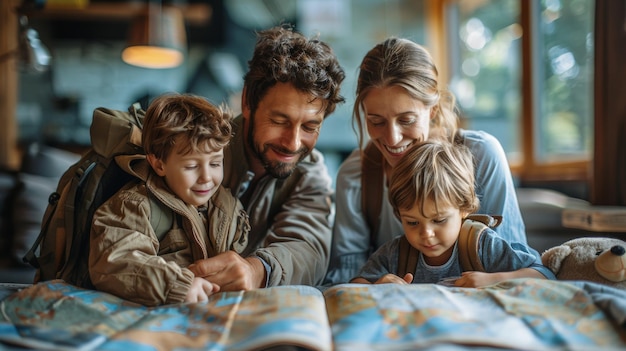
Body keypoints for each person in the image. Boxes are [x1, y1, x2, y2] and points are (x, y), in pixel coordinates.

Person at [325, 37, 544, 285]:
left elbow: (514, 263)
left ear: (433, 110)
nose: (392, 138)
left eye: (406, 120)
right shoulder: (356, 175)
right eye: (376, 121)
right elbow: (345, 278)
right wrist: (374, 285)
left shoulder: (482, 155)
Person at [188, 25, 346, 290]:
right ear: (248, 101)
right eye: (279, 121)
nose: (293, 143)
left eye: (309, 127)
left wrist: (256, 270)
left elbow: (309, 249)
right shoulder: (195, 147)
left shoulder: (310, 174)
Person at [89, 93, 250, 306]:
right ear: (158, 164)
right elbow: (115, 261)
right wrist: (176, 285)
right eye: (191, 166)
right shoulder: (135, 206)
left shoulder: (227, 206)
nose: (206, 177)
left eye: (215, 163)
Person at [350, 140, 554, 286]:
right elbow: (356, 284)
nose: (426, 233)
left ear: (464, 208)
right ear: (399, 215)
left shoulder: (482, 247)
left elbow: (544, 274)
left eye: (439, 220)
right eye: (412, 222)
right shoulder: (395, 254)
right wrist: (377, 284)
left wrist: (493, 279)